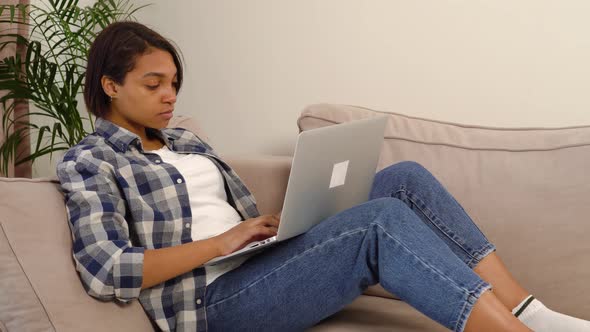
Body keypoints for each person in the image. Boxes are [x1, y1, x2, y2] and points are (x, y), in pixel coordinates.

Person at [56, 21, 590, 332]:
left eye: (174, 82)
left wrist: (281, 227)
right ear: (109, 85)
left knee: (403, 178)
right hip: (208, 301)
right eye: (153, 84)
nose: (170, 95)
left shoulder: (188, 142)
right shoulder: (90, 162)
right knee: (378, 222)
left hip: (255, 264)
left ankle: (531, 311)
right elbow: (108, 270)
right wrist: (225, 239)